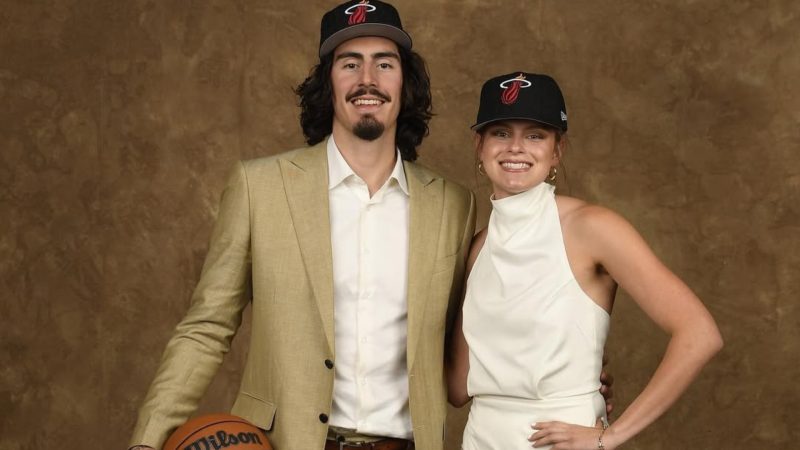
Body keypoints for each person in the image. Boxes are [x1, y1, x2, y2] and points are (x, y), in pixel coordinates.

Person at [128, 2, 474, 450]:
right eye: (350, 63)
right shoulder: (260, 186)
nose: (367, 79)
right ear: (327, 82)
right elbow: (207, 327)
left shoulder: (452, 205)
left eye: (384, 63)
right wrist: (146, 441)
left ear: (405, 82)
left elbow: (474, 336)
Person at [446, 72, 723, 450]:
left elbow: (699, 333)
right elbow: (458, 387)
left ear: (557, 150)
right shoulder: (478, 246)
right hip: (481, 438)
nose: (516, 148)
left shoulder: (591, 227)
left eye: (535, 135)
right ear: (480, 146)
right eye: (501, 133)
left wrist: (611, 436)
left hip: (559, 439)